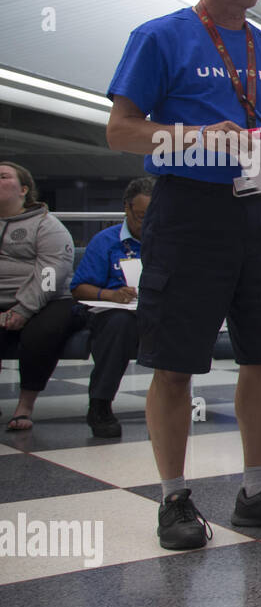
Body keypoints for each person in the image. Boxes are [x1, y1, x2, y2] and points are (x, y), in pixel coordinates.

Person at [105, 0, 261, 550]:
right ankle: (173, 499)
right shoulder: (161, 38)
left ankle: (258, 490)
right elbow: (120, 131)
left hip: (259, 217)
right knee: (174, 363)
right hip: (189, 212)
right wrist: (196, 137)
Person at [68, 177, 153, 438]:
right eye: (140, 217)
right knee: (119, 324)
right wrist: (111, 294)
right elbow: (79, 288)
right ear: (126, 208)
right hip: (112, 312)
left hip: (155, 311)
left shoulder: (167, 240)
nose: (147, 224)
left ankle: (171, 408)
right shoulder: (106, 241)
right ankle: (100, 405)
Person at [0, 162, 77, 432]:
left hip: (48, 300)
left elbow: (51, 273)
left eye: (3, 176)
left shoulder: (47, 226)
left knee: (40, 334)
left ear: (23, 189)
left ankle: (25, 405)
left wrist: (24, 309)